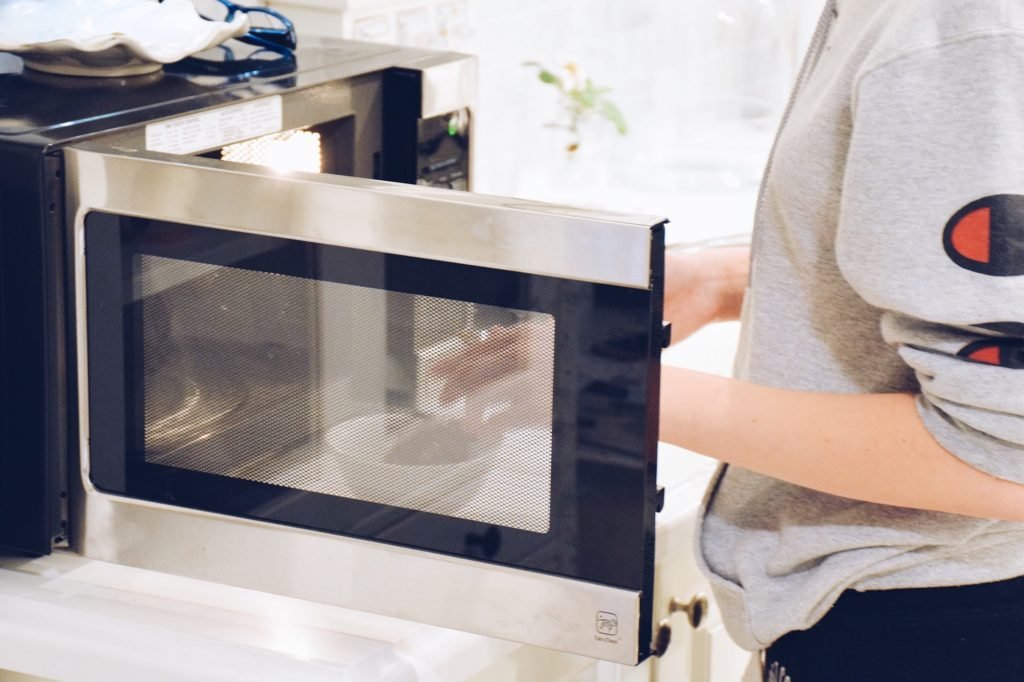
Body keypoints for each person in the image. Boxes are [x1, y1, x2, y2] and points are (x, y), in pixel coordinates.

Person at [659, 0, 1024, 679]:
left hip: (935, 628)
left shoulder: (960, 22)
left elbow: (1003, 455)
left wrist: (607, 388)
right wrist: (729, 282)